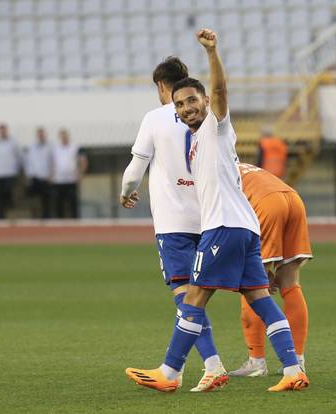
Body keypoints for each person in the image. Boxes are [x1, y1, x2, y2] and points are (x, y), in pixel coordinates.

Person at [125, 29, 309, 392]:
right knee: (261, 298)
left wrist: (212, 52)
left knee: (193, 297)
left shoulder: (216, 126)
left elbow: (223, 91)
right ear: (175, 111)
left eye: (193, 100)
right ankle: (293, 370)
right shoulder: (195, 140)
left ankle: (170, 372)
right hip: (245, 228)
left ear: (206, 101)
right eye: (180, 104)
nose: (187, 108)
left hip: (223, 227)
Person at [120, 56, 227, 392]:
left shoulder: (155, 118)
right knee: (204, 294)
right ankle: (285, 361)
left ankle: (208, 366)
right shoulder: (206, 115)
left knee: (185, 297)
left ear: (162, 86)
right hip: (209, 216)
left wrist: (126, 193)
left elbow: (136, 169)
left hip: (173, 221)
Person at [229, 162, 312, 377]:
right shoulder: (240, 165)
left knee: (250, 283)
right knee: (290, 281)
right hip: (293, 198)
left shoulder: (209, 171)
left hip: (266, 204)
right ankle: (298, 360)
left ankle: (256, 361)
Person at [51, 129, 87, 218]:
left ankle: (75, 221)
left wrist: (81, 173)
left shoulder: (74, 148)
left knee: (73, 202)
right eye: (62, 136)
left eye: (65, 136)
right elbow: (53, 163)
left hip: (71, 179)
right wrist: (51, 175)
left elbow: (83, 161)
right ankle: (60, 221)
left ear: (68, 136)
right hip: (58, 180)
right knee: (59, 203)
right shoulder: (56, 148)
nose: (64, 138)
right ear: (59, 137)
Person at [0, 123, 22, 219]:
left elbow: (19, 156)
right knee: (0, 195)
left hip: (10, 173)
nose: (2, 132)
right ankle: (1, 215)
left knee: (9, 193)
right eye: (1, 130)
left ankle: (11, 214)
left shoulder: (13, 142)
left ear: (7, 130)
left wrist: (17, 169)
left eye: (4, 129)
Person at [25, 127, 52, 218]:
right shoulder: (32, 147)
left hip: (46, 177)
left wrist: (51, 175)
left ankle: (46, 217)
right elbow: (29, 161)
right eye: (39, 134)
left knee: (47, 200)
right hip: (35, 178)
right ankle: (34, 217)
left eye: (42, 134)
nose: (41, 136)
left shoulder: (51, 146)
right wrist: (29, 175)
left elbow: (53, 161)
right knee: (33, 199)